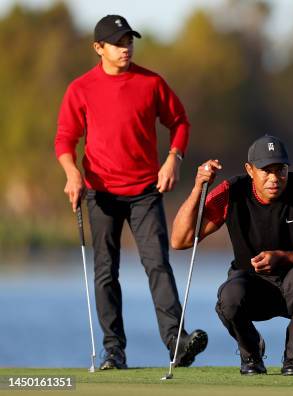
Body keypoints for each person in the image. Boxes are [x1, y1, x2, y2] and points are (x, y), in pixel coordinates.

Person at [55, 15, 207, 370]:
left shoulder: (151, 82)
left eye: (129, 41)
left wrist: (173, 159)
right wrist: (71, 172)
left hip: (145, 191)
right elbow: (65, 139)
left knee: (157, 264)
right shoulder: (81, 88)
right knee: (106, 272)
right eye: (118, 42)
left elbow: (179, 121)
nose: (126, 48)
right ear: (99, 48)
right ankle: (114, 351)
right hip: (100, 192)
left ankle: (176, 342)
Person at [171, 135, 293, 375]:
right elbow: (180, 240)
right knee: (229, 297)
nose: (274, 178)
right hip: (252, 287)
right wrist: (199, 186)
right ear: (249, 170)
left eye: (280, 170)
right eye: (265, 170)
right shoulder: (232, 192)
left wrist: (283, 257)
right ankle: (251, 356)